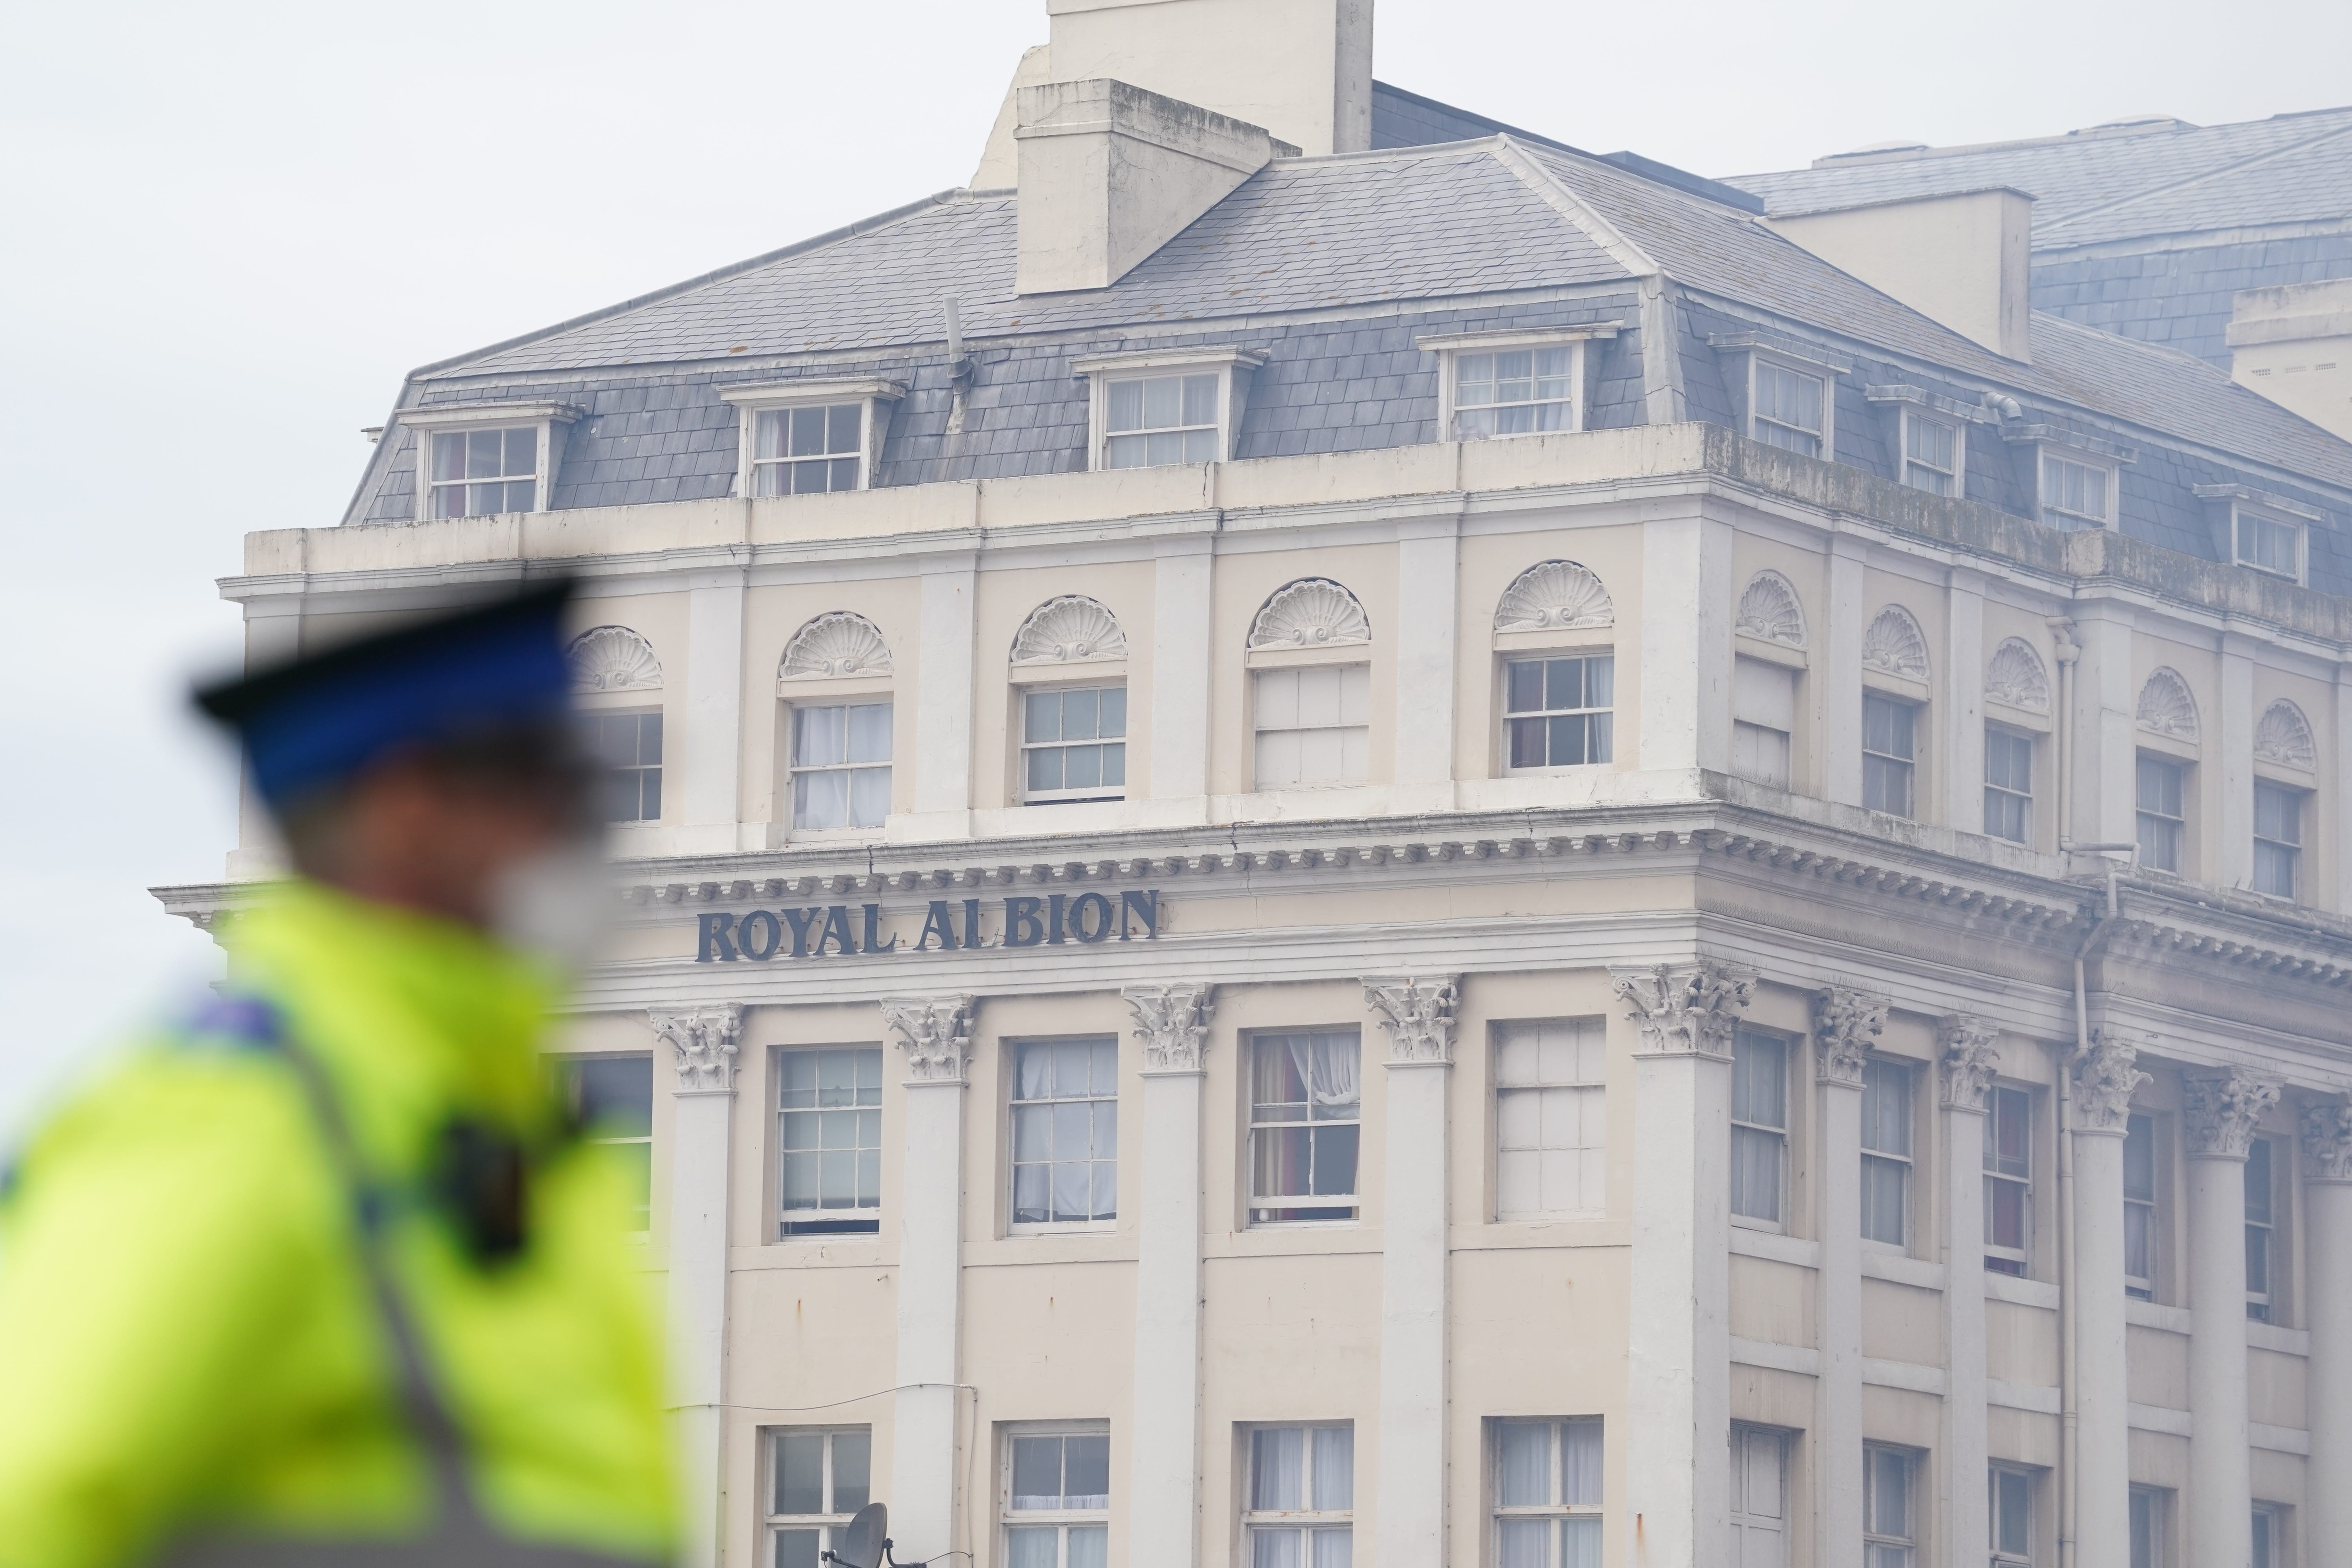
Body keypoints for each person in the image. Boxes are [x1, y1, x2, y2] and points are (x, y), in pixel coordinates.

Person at [0, 581, 678, 1567]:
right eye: (562, 792)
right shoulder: (241, 1117)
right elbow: (33, 1489)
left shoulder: (500, 1126)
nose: (597, 838)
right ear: (411, 808)